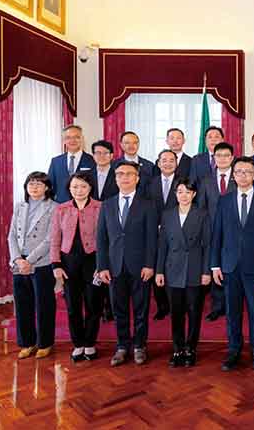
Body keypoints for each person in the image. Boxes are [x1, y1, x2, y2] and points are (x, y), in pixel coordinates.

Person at [211, 157, 254, 372]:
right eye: (239, 171)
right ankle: (234, 350)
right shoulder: (224, 201)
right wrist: (215, 265)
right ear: (233, 175)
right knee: (232, 312)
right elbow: (217, 234)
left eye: (248, 172)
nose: (243, 175)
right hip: (229, 266)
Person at [96, 161, 159, 366]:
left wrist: (150, 265)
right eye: (120, 174)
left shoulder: (148, 204)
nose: (124, 177)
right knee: (119, 309)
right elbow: (101, 238)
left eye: (129, 174)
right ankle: (122, 346)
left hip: (140, 266)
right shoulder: (107, 204)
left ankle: (140, 345)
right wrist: (102, 266)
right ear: (115, 178)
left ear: (137, 178)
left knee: (141, 309)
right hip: (114, 266)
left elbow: (152, 238)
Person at [155, 178, 212, 368]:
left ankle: (190, 348)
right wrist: (159, 271)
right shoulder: (167, 215)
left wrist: (206, 271)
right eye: (180, 192)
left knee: (194, 311)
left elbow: (208, 245)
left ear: (194, 194)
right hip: (172, 268)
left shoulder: (202, 214)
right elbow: (162, 245)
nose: (184, 195)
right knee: (176, 312)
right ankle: (177, 348)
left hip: (195, 269)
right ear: (175, 194)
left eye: (188, 192)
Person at [50, 172, 102, 362]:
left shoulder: (100, 207)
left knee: (93, 304)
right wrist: (56, 264)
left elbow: (105, 238)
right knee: (73, 306)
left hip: (93, 261)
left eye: (83, 186)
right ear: (69, 189)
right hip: (68, 263)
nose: (79, 190)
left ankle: (90, 343)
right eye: (75, 187)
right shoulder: (61, 209)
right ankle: (78, 343)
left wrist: (102, 265)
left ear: (90, 188)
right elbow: (55, 238)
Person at [8, 172, 58, 359]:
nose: (34, 187)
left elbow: (50, 239)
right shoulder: (20, 206)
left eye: (39, 184)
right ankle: (27, 343)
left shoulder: (54, 207)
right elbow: (12, 235)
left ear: (47, 187)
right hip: (19, 263)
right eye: (31, 183)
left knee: (44, 304)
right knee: (22, 304)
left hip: (41, 262)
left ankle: (45, 343)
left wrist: (30, 260)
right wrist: (17, 259)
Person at [195, 142, 236, 321]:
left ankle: (232, 305)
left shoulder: (239, 177)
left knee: (232, 269)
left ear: (232, 158)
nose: (223, 159)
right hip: (212, 233)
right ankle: (218, 307)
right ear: (214, 158)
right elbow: (201, 208)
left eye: (226, 156)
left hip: (234, 232)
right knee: (215, 268)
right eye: (219, 156)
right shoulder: (206, 180)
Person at [148, 149, 180, 321]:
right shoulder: (149, 183)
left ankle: (176, 304)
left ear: (176, 163)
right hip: (154, 232)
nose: (167, 163)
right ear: (158, 163)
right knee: (157, 267)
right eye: (164, 160)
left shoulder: (183, 183)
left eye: (171, 160)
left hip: (177, 232)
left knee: (175, 267)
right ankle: (162, 306)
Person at [90, 140, 116, 321]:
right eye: (97, 153)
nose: (101, 156)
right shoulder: (85, 176)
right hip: (90, 226)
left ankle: (110, 307)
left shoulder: (119, 174)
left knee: (109, 264)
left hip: (112, 224)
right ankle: (96, 307)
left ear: (111, 156)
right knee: (93, 265)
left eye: (105, 153)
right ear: (93, 155)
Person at [48, 125, 96, 204]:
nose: (72, 140)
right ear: (64, 141)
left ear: (82, 139)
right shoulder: (55, 161)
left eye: (76, 137)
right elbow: (50, 187)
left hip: (86, 206)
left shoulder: (92, 160)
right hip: (61, 206)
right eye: (68, 137)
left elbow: (95, 187)